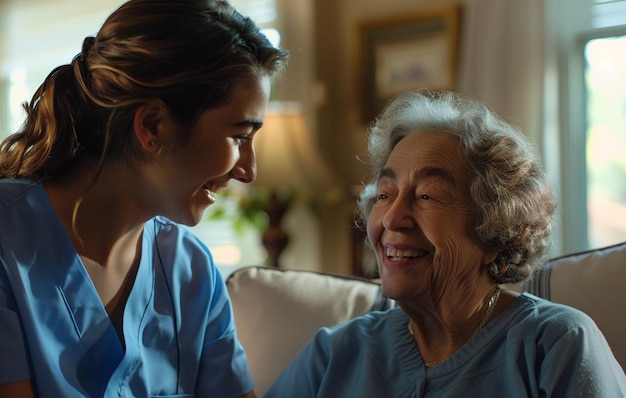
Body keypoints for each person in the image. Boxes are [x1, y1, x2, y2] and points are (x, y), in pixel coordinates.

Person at [0, 0, 289, 397]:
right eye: (239, 136)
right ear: (152, 125)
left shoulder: (191, 271)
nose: (247, 170)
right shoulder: (6, 242)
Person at [265, 89, 626, 397]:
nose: (392, 219)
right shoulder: (333, 355)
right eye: (385, 194)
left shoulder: (555, 346)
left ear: (495, 229)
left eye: (426, 196)